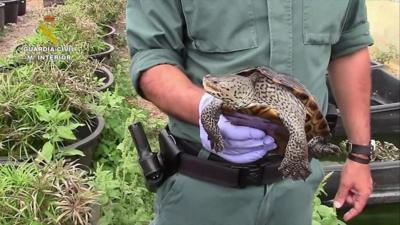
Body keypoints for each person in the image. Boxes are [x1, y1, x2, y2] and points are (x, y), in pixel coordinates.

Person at [126, 0, 374, 224]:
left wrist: (360, 154)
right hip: (203, 186)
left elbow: (349, 45)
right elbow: (152, 55)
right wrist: (203, 109)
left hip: (295, 190)